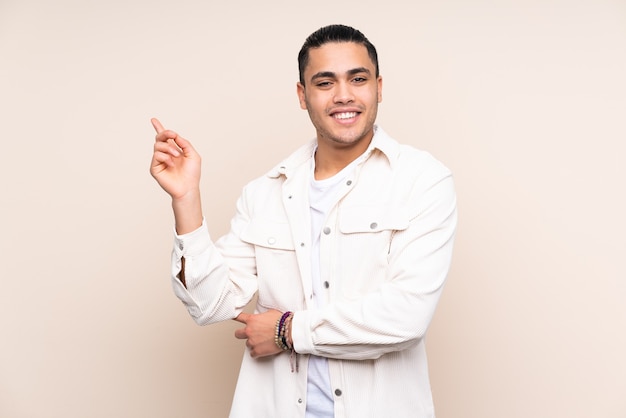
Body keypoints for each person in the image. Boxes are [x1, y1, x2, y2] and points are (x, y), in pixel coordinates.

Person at [150, 24, 457, 418]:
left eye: (358, 79)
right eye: (324, 82)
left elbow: (405, 317)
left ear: (379, 87)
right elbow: (209, 304)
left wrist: (287, 331)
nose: (343, 95)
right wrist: (186, 199)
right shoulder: (265, 193)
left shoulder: (422, 180)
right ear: (302, 95)